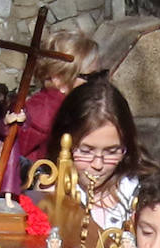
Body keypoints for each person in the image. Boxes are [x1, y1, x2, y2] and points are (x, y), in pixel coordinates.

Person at [47, 79, 156, 231]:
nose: (98, 165)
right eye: (85, 151)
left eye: (112, 152)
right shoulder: (46, 193)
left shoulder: (145, 195)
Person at [19, 30, 100, 166]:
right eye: (90, 77)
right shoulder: (44, 112)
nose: (98, 83)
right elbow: (16, 156)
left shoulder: (77, 105)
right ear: (58, 78)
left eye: (100, 75)